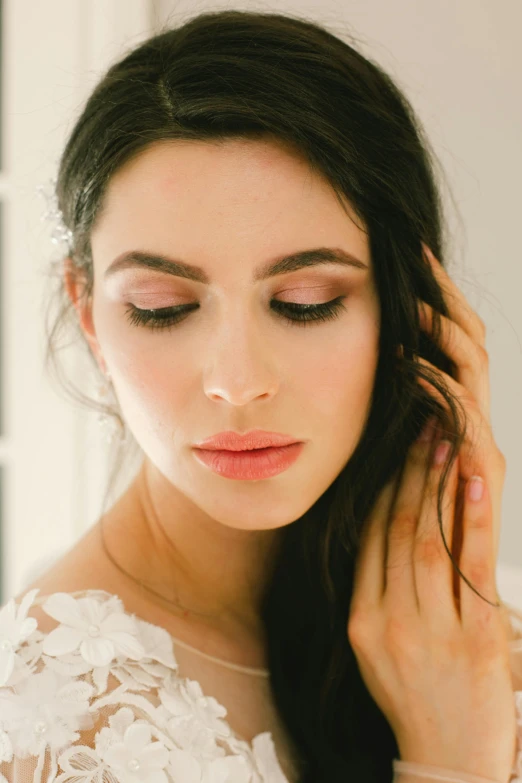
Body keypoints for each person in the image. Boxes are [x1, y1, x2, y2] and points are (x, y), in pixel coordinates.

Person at [0, 9, 520, 783]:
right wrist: (454, 761)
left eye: (305, 300)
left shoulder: (468, 632)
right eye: (162, 307)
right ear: (89, 315)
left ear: (411, 308)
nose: (238, 382)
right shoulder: (53, 718)